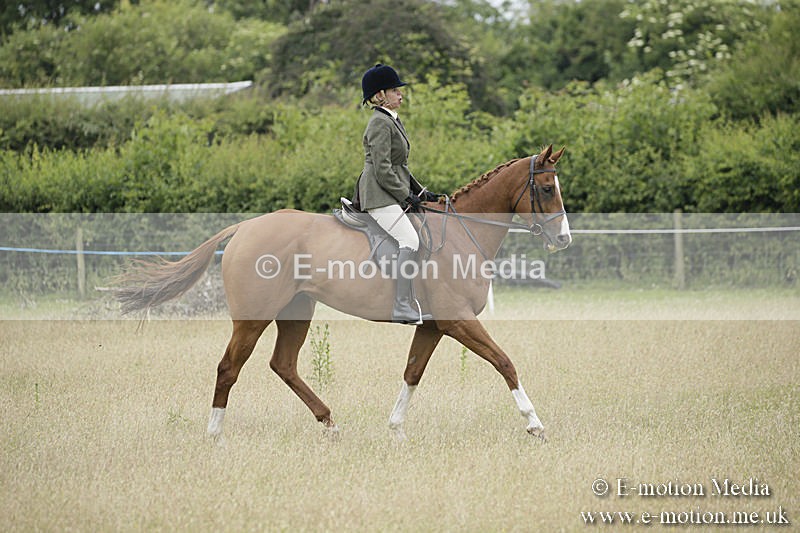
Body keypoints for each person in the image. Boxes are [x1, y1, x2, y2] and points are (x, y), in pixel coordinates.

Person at [353, 64, 439, 324]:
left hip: (391, 192)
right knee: (410, 240)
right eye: (394, 90)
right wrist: (405, 196)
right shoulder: (379, 122)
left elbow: (400, 166)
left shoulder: (391, 119)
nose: (401, 94)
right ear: (380, 95)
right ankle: (401, 305)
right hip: (379, 196)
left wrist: (421, 192)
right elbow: (382, 169)